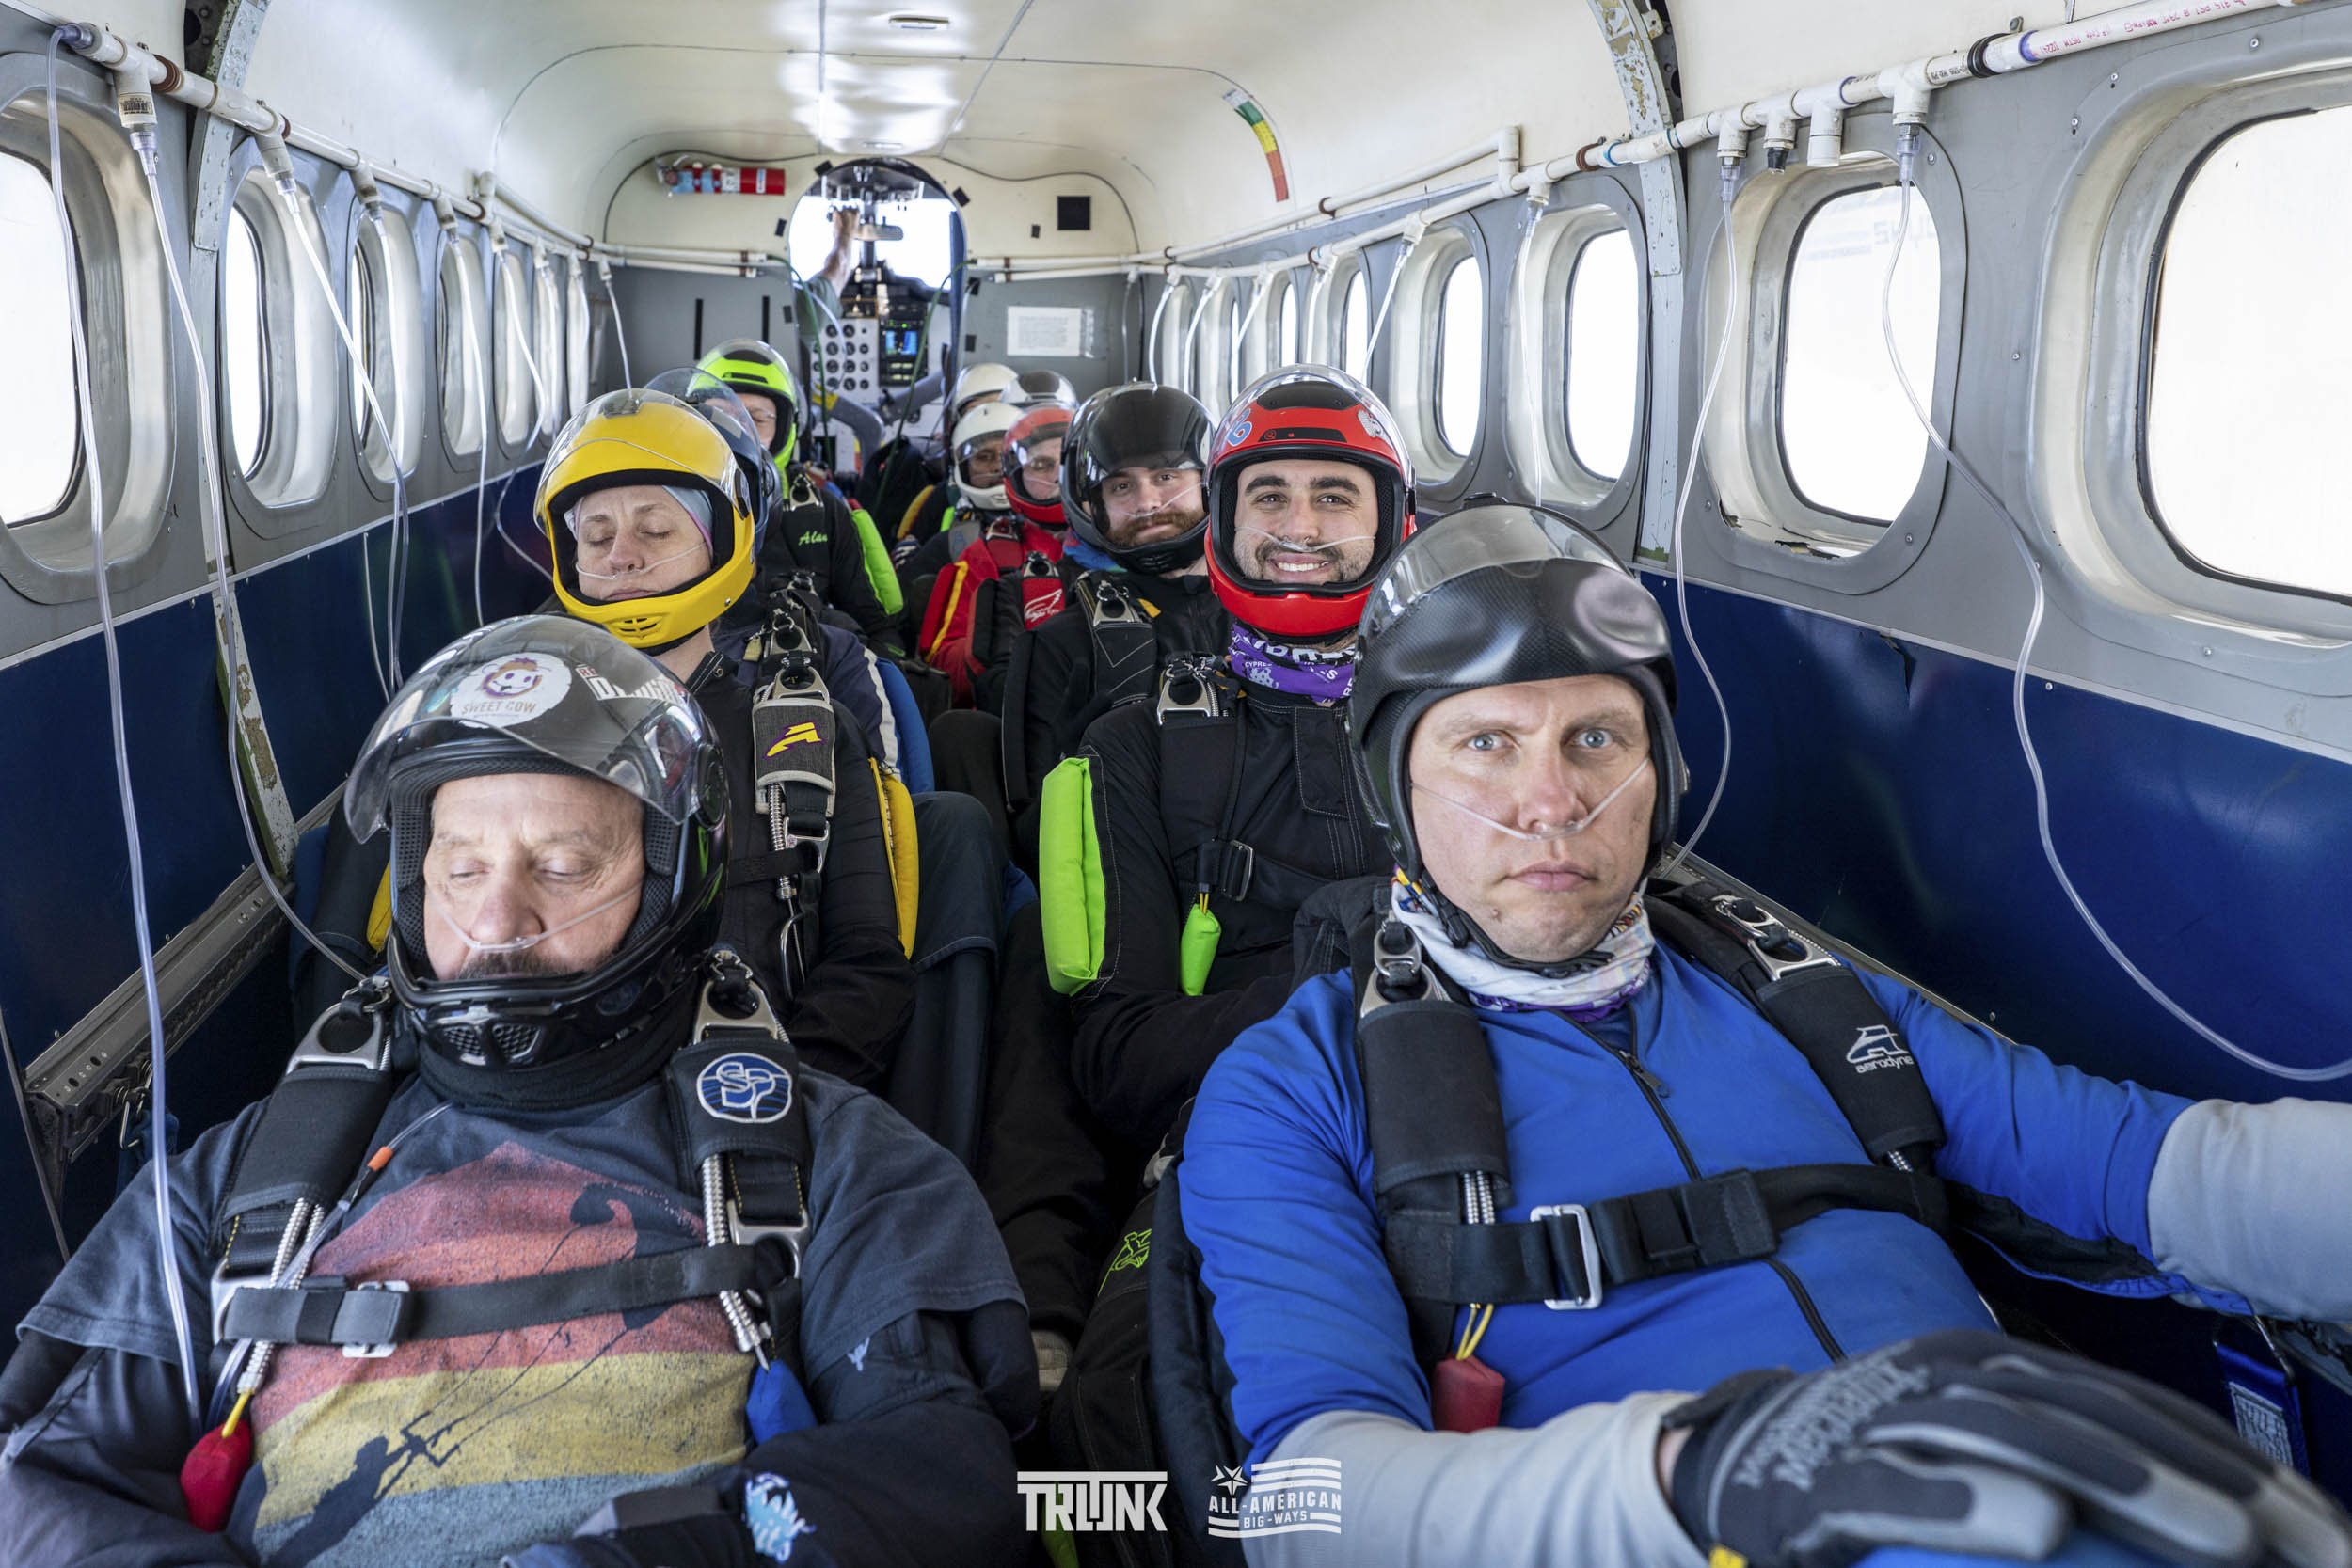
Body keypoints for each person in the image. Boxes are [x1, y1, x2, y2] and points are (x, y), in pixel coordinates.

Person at [1173, 506, 2352, 1567]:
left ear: (1658, 775)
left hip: (2030, 1500)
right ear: (1397, 787)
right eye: (1484, 742)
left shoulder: (1802, 994)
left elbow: (2154, 1170)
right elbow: (1310, 1503)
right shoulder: (1293, 1088)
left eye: (1595, 738)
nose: (1549, 801)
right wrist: (1697, 1474)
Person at [0, 617, 1033, 1568]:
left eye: (565, 865)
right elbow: (42, 1485)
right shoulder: (244, 1183)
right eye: (460, 869)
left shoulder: (832, 1159)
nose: (498, 919)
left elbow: (937, 1469)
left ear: (673, 879)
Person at [1038, 367, 1411, 1154]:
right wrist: (1371, 995)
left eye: (1335, 496)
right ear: (1226, 522)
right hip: (1246, 1138)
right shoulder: (1134, 745)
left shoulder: (1461, 730)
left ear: (1392, 523)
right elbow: (1120, 1057)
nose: (1299, 530)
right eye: (1269, 496)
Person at [539, 387, 916, 1088]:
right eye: (596, 536)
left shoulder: (811, 732)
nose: (622, 556)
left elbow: (866, 971)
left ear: (725, 539)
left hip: (761, 1095)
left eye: (655, 530)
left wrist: (769, 1100)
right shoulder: (513, 741)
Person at [1002, 382, 1230, 863]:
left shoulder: (1269, 620)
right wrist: (1070, 769)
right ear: (1093, 505)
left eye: (1167, 477)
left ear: (1208, 481)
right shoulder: (1059, 645)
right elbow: (1027, 841)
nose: (1149, 503)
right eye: (1122, 486)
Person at [697, 339, 902, 649]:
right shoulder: (669, 509)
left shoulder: (824, 511)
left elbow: (872, 622)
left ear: (786, 428)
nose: (739, 431)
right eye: (723, 416)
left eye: (757, 418)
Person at [915, 402, 1073, 708]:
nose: (1058, 477)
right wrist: (992, 647)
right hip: (1022, 713)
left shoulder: (1128, 549)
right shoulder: (987, 556)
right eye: (1041, 465)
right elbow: (940, 665)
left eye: (1066, 463)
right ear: (1015, 476)